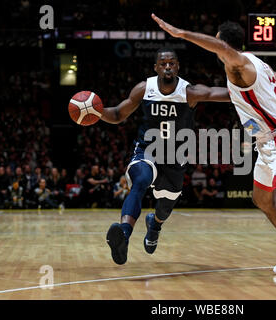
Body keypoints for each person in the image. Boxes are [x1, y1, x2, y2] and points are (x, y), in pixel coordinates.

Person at [152, 14, 276, 288]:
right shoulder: (260, 67)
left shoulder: (239, 64)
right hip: (266, 144)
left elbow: (223, 50)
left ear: (223, 43)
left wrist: (180, 32)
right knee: (262, 200)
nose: (217, 48)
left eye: (218, 42)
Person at [98, 48, 231, 265]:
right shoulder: (144, 88)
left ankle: (155, 225)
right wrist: (96, 111)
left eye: (172, 63)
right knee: (139, 180)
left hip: (174, 157)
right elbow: (117, 114)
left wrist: (253, 90)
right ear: (156, 67)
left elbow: (224, 94)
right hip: (147, 150)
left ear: (177, 66)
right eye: (163, 63)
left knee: (165, 207)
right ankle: (123, 235)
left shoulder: (189, 91)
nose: (167, 66)